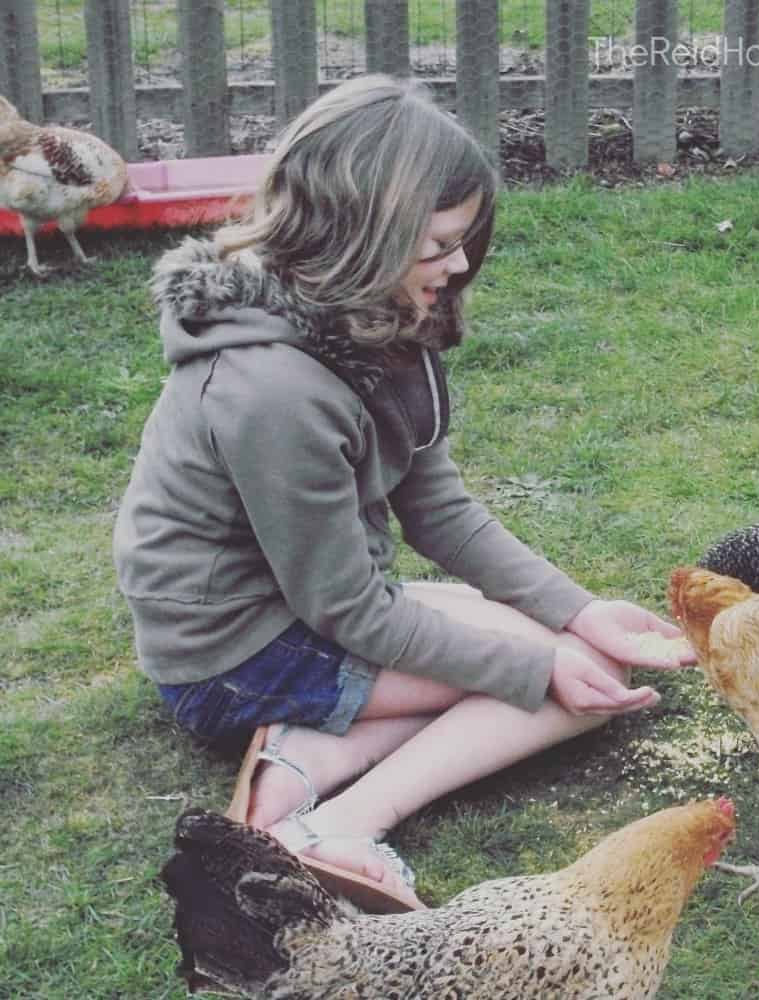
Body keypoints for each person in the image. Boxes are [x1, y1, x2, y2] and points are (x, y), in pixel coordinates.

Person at [112, 75, 694, 909]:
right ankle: (334, 830)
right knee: (570, 683)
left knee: (562, 649)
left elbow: (438, 506)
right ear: (359, 236)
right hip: (233, 658)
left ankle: (295, 763)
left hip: (303, 609)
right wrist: (541, 662)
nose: (458, 265)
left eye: (464, 241)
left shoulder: (372, 316)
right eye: (437, 245)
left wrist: (575, 610)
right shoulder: (270, 391)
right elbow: (348, 609)